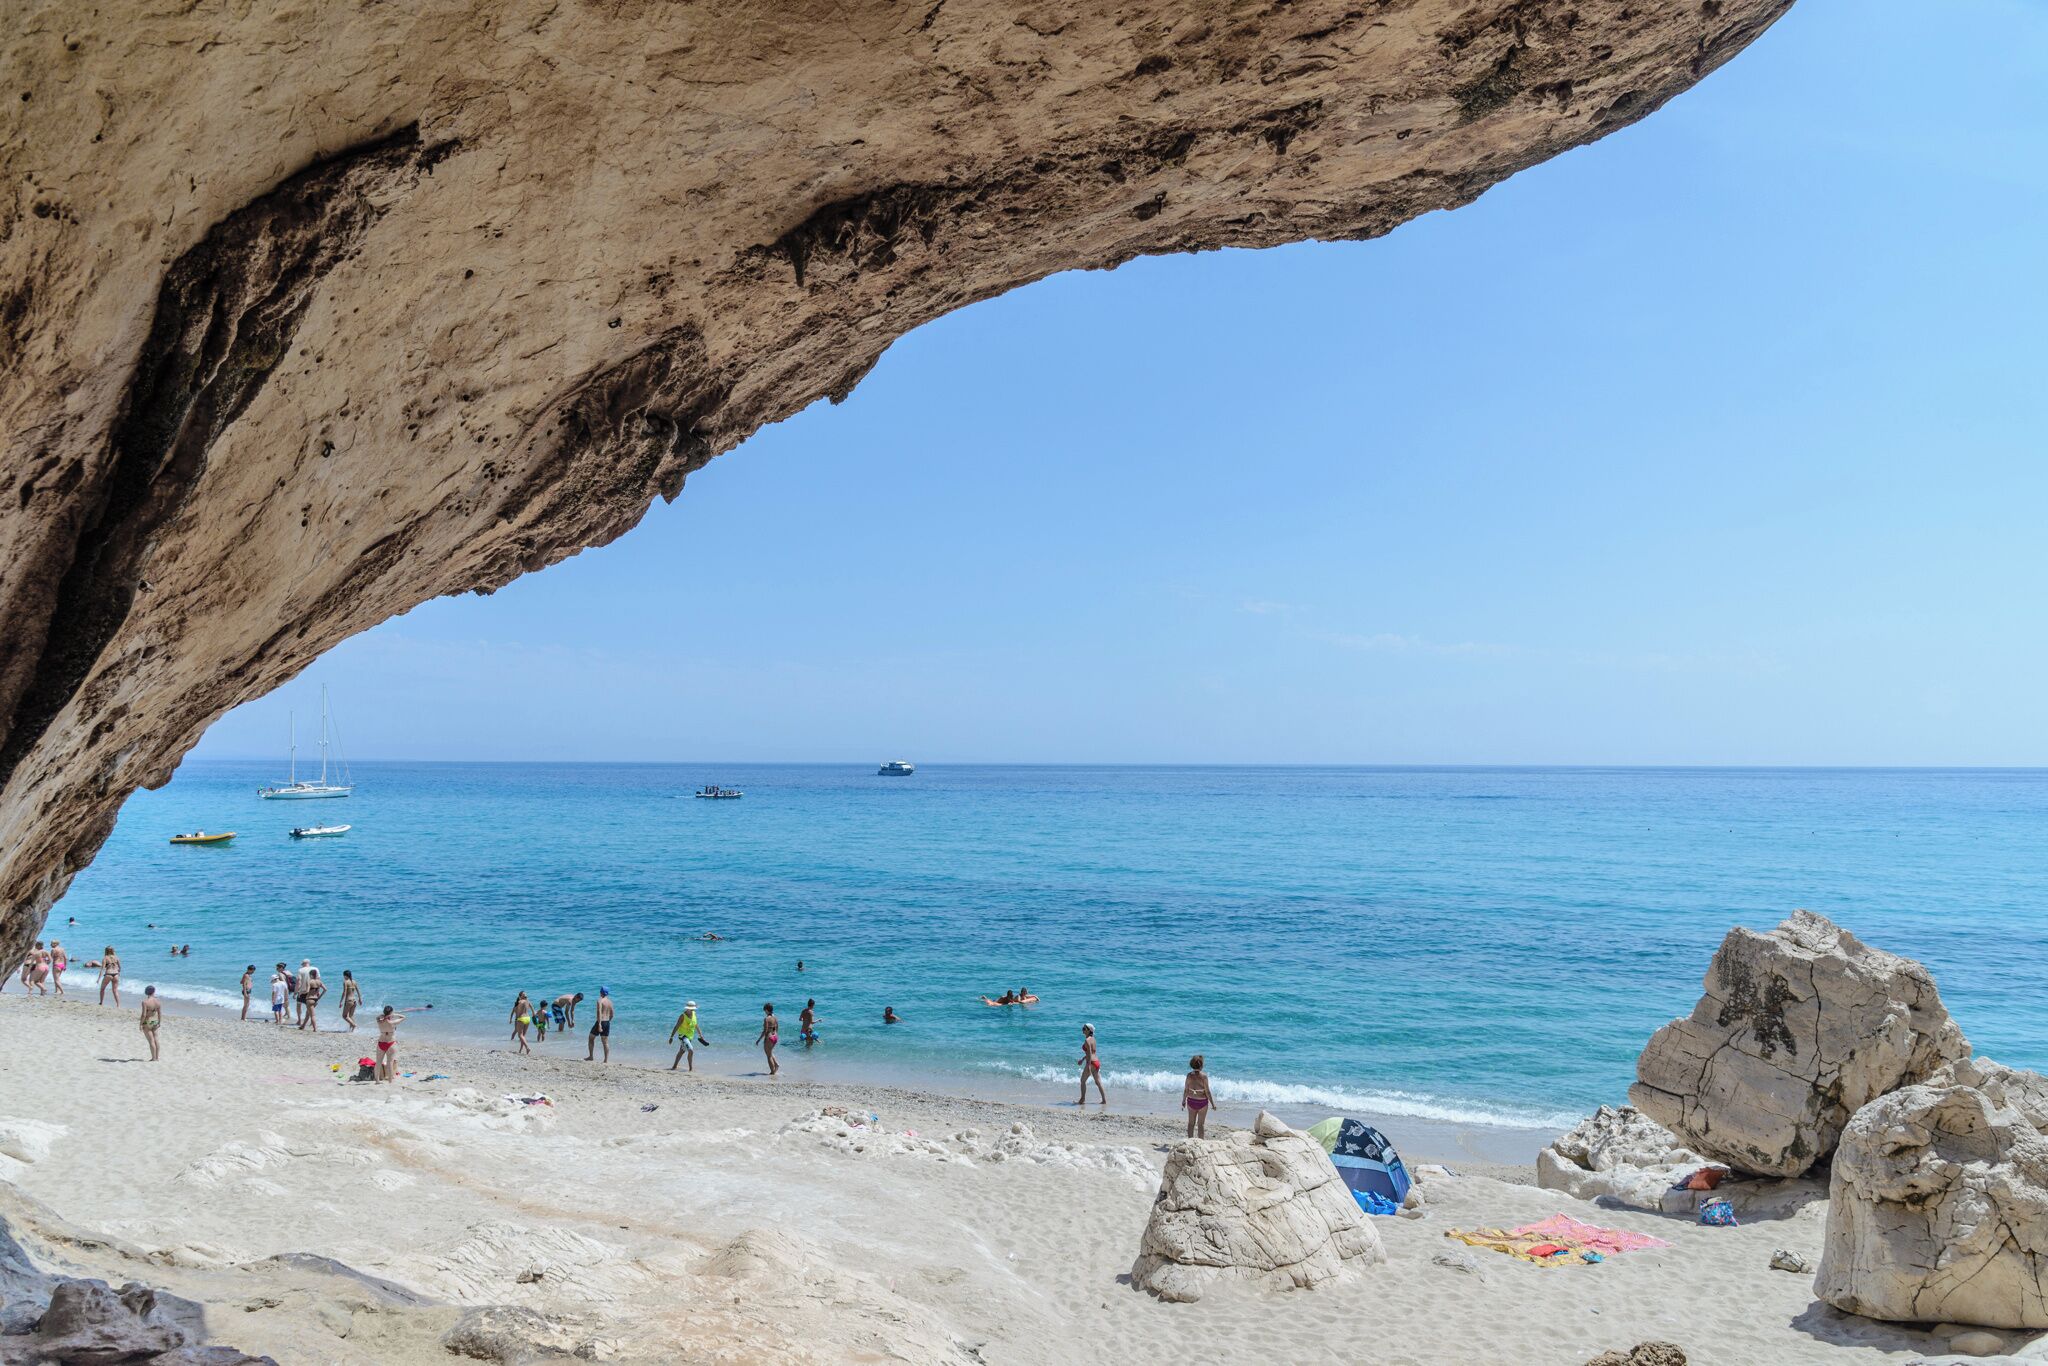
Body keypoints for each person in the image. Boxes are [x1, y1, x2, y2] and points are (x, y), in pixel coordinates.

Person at [668, 1000, 710, 1071]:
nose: (691, 1010)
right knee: (691, 1050)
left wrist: (700, 1034)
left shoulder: (694, 1014)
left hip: (690, 1036)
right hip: (683, 1036)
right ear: (687, 1008)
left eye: (692, 1009)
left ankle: (674, 1067)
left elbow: (696, 1024)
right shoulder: (682, 1016)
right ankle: (690, 1068)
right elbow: (676, 1026)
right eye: (690, 1009)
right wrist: (671, 1037)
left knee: (682, 1051)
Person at [1181, 1054, 1214, 1137]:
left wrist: (1183, 1101)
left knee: (1191, 1123)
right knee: (1201, 1125)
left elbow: (1186, 1090)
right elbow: (1208, 1092)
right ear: (1201, 1065)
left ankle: (1190, 1141)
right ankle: (1200, 1143)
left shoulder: (1189, 1075)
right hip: (1202, 1102)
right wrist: (1213, 1104)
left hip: (1191, 1101)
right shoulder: (1204, 1076)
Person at [375, 1006, 406, 1081]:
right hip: (390, 1043)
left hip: (381, 1042)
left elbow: (377, 1017)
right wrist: (394, 1014)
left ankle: (377, 1081)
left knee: (378, 1062)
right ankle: (390, 1081)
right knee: (390, 1062)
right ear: (391, 1012)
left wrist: (383, 1016)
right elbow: (404, 1017)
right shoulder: (392, 1022)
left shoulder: (379, 1021)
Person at [1078, 1023, 1106, 1106]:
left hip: (1091, 1063)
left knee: (1082, 1081)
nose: (1082, 1029)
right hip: (1096, 1062)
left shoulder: (1087, 1040)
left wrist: (1088, 1066)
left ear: (1088, 1030)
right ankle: (1104, 1100)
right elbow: (1092, 1052)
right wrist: (1083, 1059)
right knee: (1098, 1082)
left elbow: (1090, 1053)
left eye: (1084, 1028)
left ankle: (1082, 1099)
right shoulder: (1093, 1039)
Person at [585, 987, 613, 1062]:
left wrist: (600, 1024)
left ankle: (591, 1056)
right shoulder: (610, 1002)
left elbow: (599, 1012)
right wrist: (608, 1022)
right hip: (607, 1022)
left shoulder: (600, 1001)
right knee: (605, 1042)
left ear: (601, 992)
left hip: (601, 1021)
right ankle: (606, 1060)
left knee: (591, 1037)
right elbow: (612, 1014)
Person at [139, 986, 163, 1061]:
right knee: (156, 1039)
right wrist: (159, 1022)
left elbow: (144, 1015)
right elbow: (159, 1013)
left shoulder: (145, 1002)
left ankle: (153, 1058)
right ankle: (157, 1057)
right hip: (154, 1021)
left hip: (147, 1021)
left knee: (151, 1041)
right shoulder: (158, 1002)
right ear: (154, 992)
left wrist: (140, 1023)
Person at [757, 1002, 780, 1076]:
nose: (764, 1012)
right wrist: (775, 1035)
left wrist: (759, 1040)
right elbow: (776, 1028)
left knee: (768, 1055)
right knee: (770, 1052)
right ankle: (776, 1064)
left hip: (769, 1038)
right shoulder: (775, 1017)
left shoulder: (767, 1019)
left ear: (767, 1010)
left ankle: (772, 1072)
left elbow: (765, 1031)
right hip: (775, 1037)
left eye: (765, 1010)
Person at [299, 967, 325, 1032]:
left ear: (311, 975)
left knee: (312, 1015)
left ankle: (315, 1029)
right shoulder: (319, 981)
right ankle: (303, 1026)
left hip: (309, 999)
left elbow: (307, 991)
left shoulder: (310, 981)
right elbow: (325, 989)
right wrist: (320, 997)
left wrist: (300, 993)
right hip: (316, 1000)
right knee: (308, 1013)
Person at [511, 991, 533, 1056]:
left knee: (520, 1035)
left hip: (520, 1019)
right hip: (528, 1018)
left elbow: (516, 1013)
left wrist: (513, 1019)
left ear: (520, 997)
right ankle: (520, 1050)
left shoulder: (520, 1002)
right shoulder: (528, 1002)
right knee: (523, 1036)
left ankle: (527, 1047)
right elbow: (533, 1010)